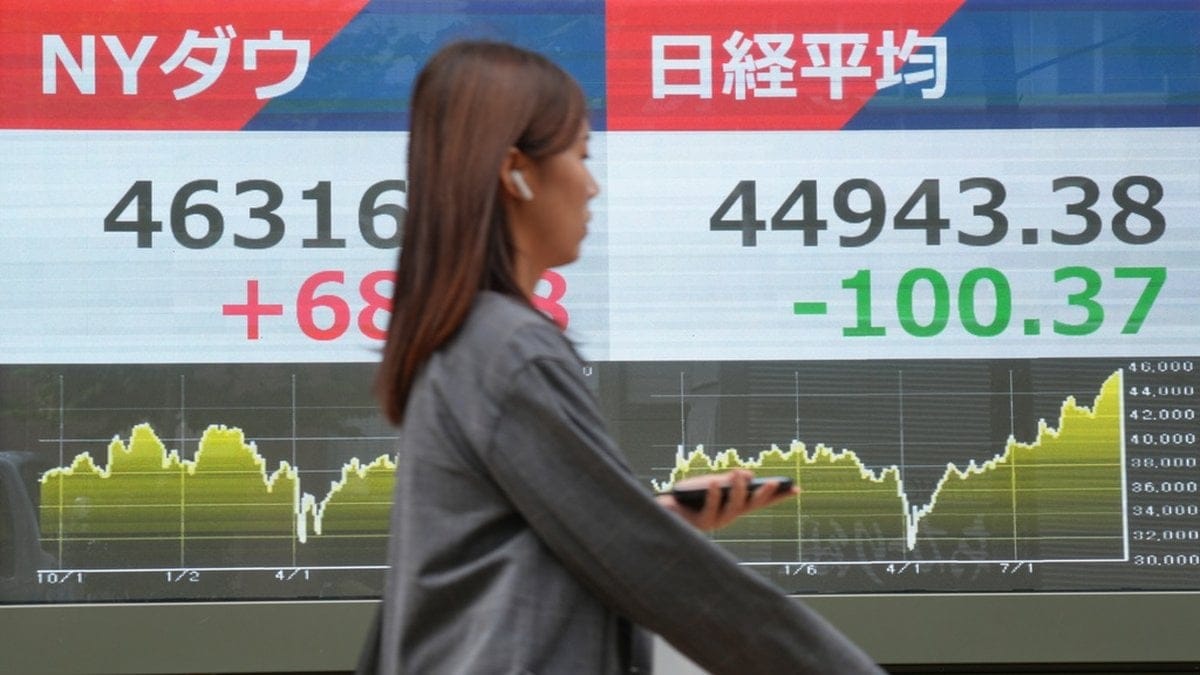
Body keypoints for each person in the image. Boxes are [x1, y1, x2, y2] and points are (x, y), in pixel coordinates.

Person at [368, 40, 884, 674]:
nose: (591, 186)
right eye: (580, 156)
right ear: (515, 172)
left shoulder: (461, 342)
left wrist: (653, 518)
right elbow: (657, 571)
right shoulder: (510, 350)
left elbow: (486, 560)